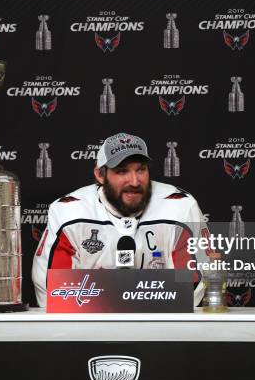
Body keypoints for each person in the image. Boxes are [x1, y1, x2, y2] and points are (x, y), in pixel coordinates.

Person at [32, 132, 209, 307]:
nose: (134, 181)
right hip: (91, 330)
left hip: (161, 329)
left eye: (141, 169)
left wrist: (107, 292)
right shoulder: (69, 212)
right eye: (122, 171)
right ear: (100, 175)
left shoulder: (180, 207)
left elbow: (192, 285)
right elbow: (53, 291)